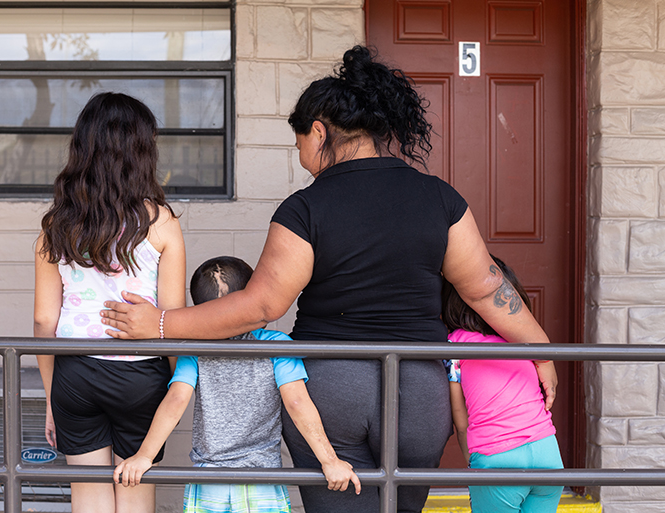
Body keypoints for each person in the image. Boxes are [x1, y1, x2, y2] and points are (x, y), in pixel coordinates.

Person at [99, 45, 558, 513]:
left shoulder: (306, 208)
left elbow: (261, 305)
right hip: (418, 392)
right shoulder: (440, 198)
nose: (301, 156)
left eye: (299, 142)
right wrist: (541, 352)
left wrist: (159, 325)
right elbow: (485, 288)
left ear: (319, 132)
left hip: (332, 388)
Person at [33, 92, 186, 513]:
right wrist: (179, 386)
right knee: (136, 491)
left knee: (88, 496)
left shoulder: (57, 226)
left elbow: (44, 321)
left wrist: (52, 399)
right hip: (142, 376)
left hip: (74, 373)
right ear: (142, 151)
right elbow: (171, 320)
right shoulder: (161, 223)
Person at [112, 256, 361, 512]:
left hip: (208, 479)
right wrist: (330, 461)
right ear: (252, 298)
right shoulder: (277, 344)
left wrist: (144, 456)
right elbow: (297, 402)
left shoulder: (194, 349)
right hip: (262, 478)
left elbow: (176, 400)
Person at [443, 255, 563, 512]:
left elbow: (460, 416)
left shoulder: (454, 345)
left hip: (497, 457)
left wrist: (472, 460)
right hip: (548, 452)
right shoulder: (525, 342)